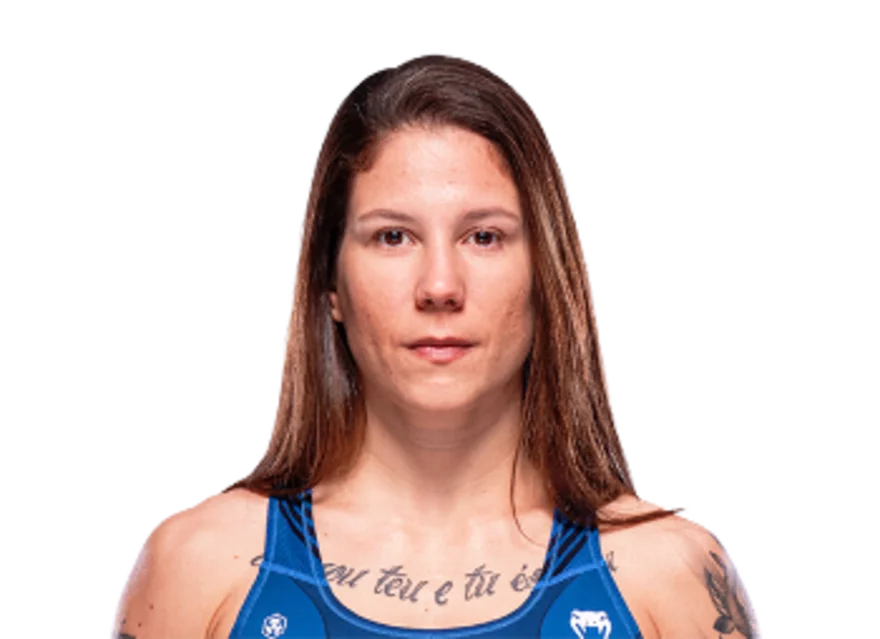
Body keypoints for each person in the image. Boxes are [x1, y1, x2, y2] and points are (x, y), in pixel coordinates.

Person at [113, 53, 759, 638]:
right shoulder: (201, 567)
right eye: (393, 237)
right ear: (330, 281)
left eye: (484, 236)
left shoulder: (664, 572)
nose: (440, 287)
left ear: (544, 273)